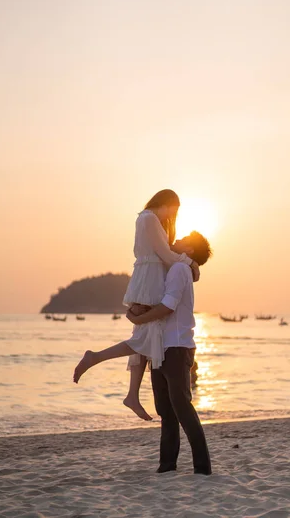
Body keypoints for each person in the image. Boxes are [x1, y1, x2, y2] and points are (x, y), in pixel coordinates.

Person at [73, 231, 213, 475]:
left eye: (184, 239)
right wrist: (137, 312)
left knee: (182, 408)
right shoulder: (176, 268)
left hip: (177, 347)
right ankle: (167, 466)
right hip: (161, 347)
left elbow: (168, 306)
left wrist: (138, 319)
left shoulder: (180, 270)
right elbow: (159, 300)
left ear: (189, 251)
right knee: (165, 410)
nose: (177, 239)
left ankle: (202, 468)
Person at [74, 189, 200, 422]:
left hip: (149, 279)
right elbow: (165, 255)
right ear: (169, 203)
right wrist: (191, 262)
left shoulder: (147, 219)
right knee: (146, 337)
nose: (173, 216)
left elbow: (164, 254)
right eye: (175, 210)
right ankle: (96, 358)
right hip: (150, 281)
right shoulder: (149, 218)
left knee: (146, 337)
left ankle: (131, 394)